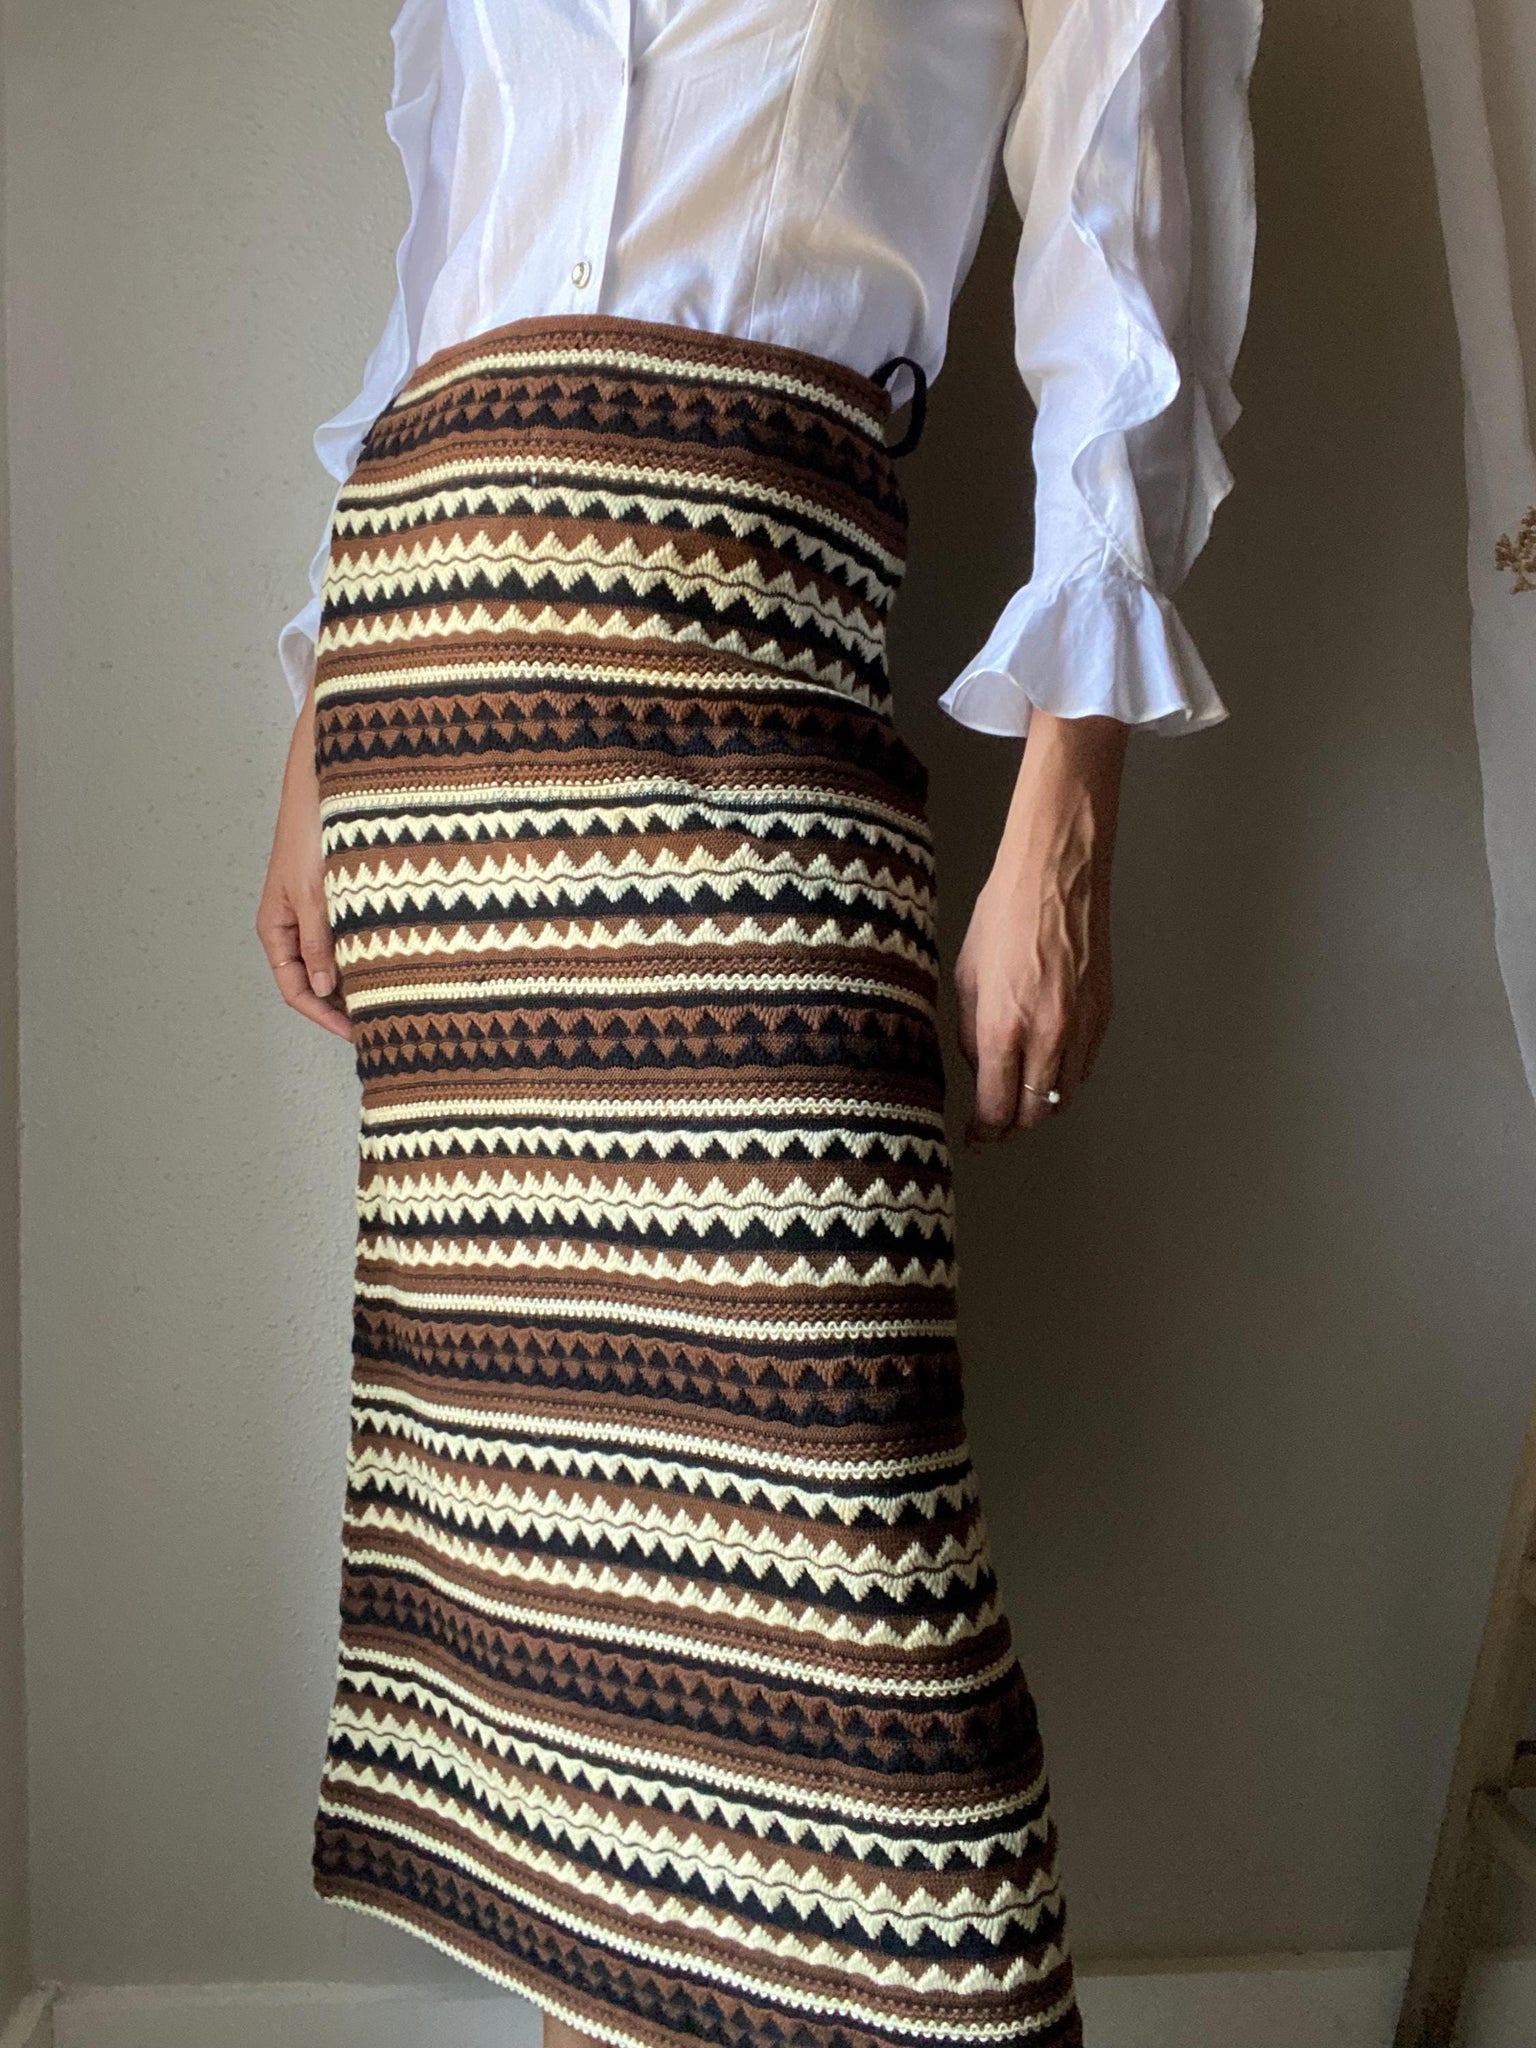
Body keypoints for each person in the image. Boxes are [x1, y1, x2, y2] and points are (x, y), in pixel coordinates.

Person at [255, 5, 1260, 2045]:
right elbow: (437, 271)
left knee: (853, 1615)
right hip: (430, 724)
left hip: (748, 671)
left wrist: (1069, 805)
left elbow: (1119, 255)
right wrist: (312, 731)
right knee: (560, 1644)